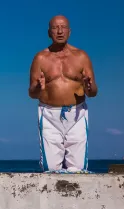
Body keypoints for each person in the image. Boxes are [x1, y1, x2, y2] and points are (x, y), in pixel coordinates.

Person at [28, 15, 98, 172]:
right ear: (49, 32)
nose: (59, 31)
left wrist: (89, 87)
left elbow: (93, 92)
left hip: (77, 114)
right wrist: (38, 87)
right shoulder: (40, 58)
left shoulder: (81, 57)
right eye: (55, 28)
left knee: (78, 169)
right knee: (51, 168)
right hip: (49, 115)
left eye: (63, 27)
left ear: (69, 31)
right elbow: (32, 93)